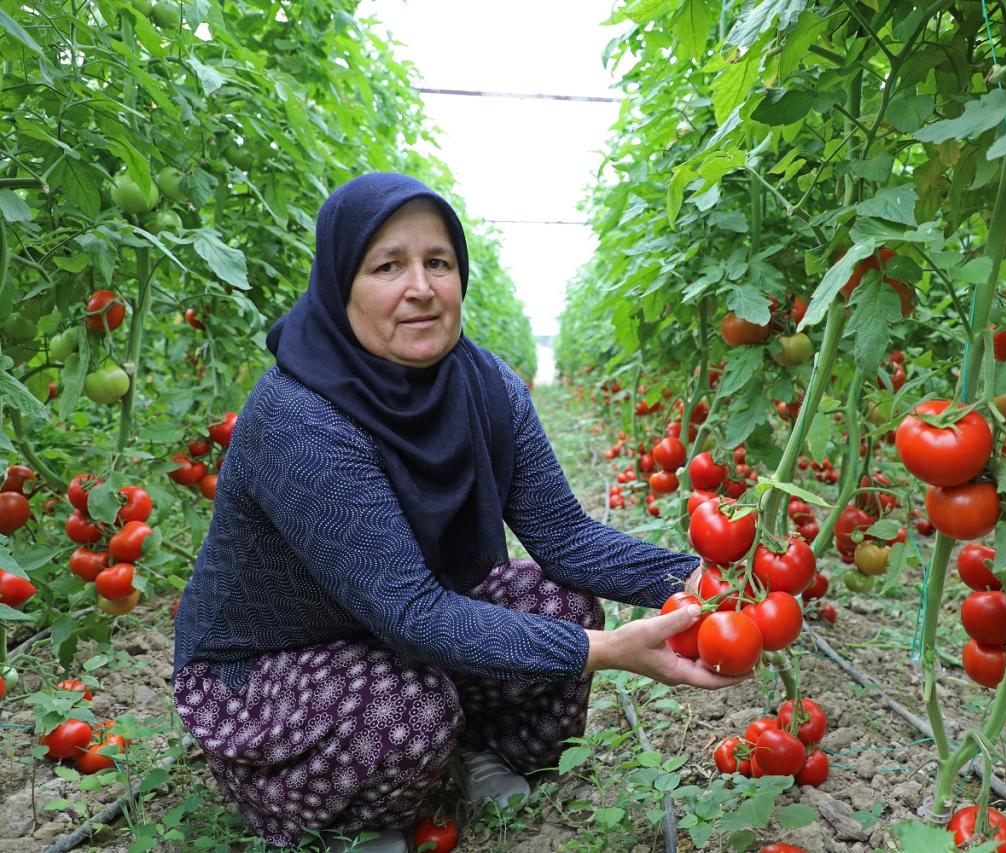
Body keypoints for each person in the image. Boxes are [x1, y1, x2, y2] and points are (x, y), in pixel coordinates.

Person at [171, 173, 734, 852]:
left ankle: (468, 750)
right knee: (403, 706)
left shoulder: (487, 387)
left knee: (559, 601)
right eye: (388, 266)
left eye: (437, 261)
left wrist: (713, 577)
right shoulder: (300, 417)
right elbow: (408, 612)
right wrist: (606, 652)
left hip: (402, 622)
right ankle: (316, 802)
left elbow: (566, 538)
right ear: (339, 284)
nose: (421, 286)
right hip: (272, 660)